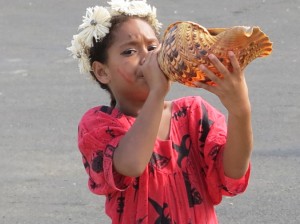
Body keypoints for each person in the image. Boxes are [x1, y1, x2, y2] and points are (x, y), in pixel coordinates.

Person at [67, 0, 253, 223]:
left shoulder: (193, 113)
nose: (148, 58)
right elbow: (132, 164)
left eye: (153, 47)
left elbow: (232, 172)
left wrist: (240, 111)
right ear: (102, 72)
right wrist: (157, 93)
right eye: (129, 51)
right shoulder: (99, 125)